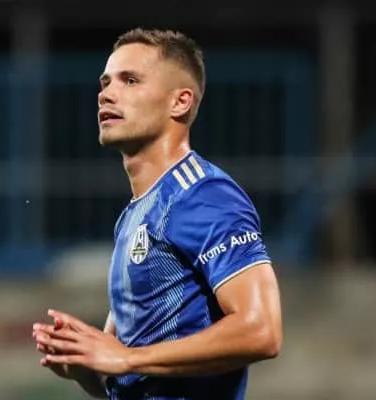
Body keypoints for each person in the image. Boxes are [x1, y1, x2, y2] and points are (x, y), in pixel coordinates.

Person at [32, 28, 282, 400]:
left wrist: (128, 359)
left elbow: (262, 331)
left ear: (180, 102)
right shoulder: (134, 216)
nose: (106, 93)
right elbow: (124, 374)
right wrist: (86, 367)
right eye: (105, 82)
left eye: (130, 80)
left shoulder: (203, 195)